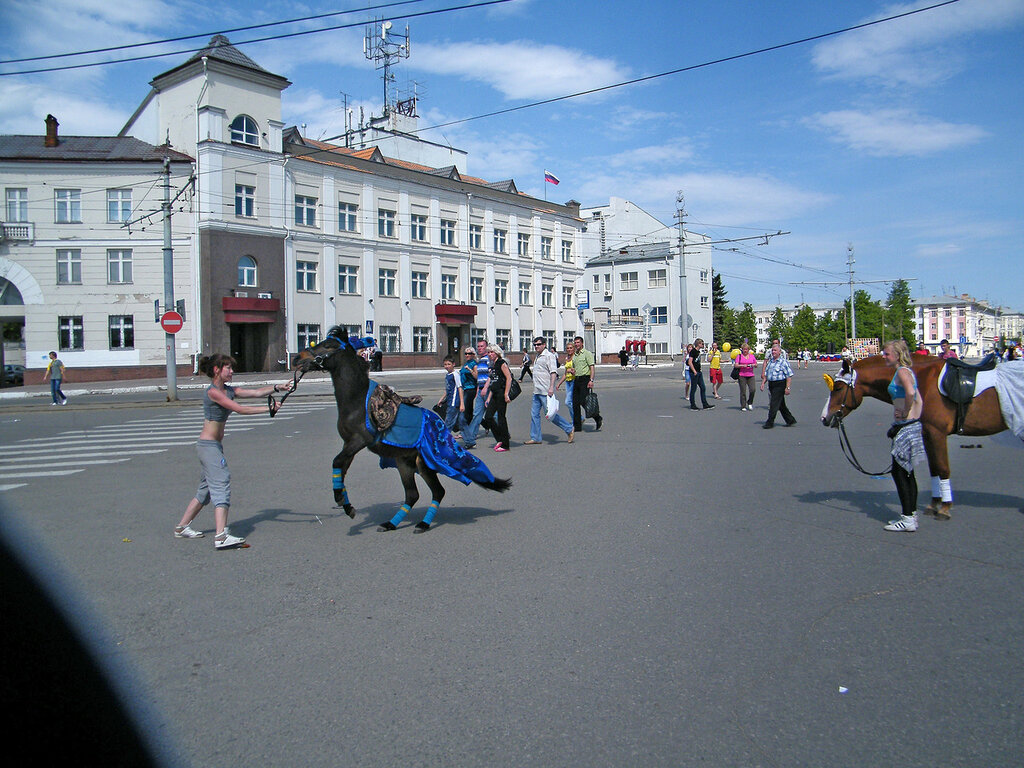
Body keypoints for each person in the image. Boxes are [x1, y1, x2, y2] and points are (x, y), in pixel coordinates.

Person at [175, 354, 293, 549]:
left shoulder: (229, 390)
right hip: (208, 447)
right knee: (221, 482)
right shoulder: (214, 393)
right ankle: (221, 536)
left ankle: (181, 527)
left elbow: (254, 393)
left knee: (205, 492)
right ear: (217, 370)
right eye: (228, 368)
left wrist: (277, 387)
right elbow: (239, 409)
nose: (232, 371)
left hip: (213, 447)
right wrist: (268, 409)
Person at [881, 339, 927, 532]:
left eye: (887, 354)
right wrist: (913, 414)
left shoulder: (901, 372)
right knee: (907, 472)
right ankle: (911, 515)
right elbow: (920, 399)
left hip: (906, 427)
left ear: (897, 355)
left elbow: (909, 393)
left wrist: (905, 412)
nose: (884, 356)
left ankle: (907, 518)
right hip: (910, 426)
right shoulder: (907, 371)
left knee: (900, 473)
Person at [524, 337, 574, 445]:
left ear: (544, 344)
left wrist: (551, 387)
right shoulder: (537, 356)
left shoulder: (549, 356)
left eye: (538, 344)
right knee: (534, 414)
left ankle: (569, 429)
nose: (536, 346)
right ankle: (536, 437)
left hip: (546, 391)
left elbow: (553, 372)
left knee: (550, 415)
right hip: (537, 390)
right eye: (535, 345)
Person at [462, 339, 492, 449]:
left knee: (494, 415)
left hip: (488, 390)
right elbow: (479, 377)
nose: (479, 348)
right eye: (478, 346)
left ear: (486, 347)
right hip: (480, 390)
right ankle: (470, 437)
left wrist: (486, 388)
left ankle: (503, 433)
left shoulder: (489, 359)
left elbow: (491, 375)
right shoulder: (480, 360)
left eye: (482, 346)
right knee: (477, 414)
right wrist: (479, 388)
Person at [484, 345, 513, 452]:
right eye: (488, 352)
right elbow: (493, 382)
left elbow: (509, 378)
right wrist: (488, 398)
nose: (490, 354)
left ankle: (505, 444)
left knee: (501, 418)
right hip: (495, 393)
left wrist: (506, 394)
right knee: (488, 416)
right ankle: (500, 438)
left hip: (501, 393)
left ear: (497, 352)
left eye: (492, 352)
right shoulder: (494, 364)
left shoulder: (501, 363)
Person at [760, 341, 795, 428]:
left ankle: (770, 422)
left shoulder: (783, 362)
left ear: (779, 352)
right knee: (781, 405)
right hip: (772, 384)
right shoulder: (771, 362)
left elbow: (789, 376)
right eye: (772, 350)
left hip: (780, 384)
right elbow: (767, 374)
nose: (773, 352)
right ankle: (790, 420)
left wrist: (787, 387)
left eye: (775, 350)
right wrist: (763, 383)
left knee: (773, 403)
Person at [571, 335, 602, 432]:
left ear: (582, 343)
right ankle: (577, 426)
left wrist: (591, 380)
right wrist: (572, 371)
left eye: (578, 342)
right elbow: (575, 368)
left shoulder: (587, 354)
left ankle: (597, 417)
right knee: (575, 403)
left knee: (584, 401)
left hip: (585, 379)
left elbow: (591, 367)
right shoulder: (575, 356)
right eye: (575, 343)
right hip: (576, 379)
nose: (576, 344)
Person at [438, 355, 464, 433]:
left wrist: (462, 403)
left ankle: (444, 440)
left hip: (454, 402)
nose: (447, 366)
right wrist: (442, 399)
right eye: (445, 364)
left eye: (449, 364)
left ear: (453, 364)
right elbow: (448, 389)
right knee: (461, 423)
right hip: (449, 401)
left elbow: (460, 388)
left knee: (448, 422)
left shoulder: (455, 375)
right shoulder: (448, 375)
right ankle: (470, 441)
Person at [687, 338, 714, 410]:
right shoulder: (693, 351)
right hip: (694, 373)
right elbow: (690, 362)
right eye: (702, 343)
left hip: (699, 372)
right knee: (694, 388)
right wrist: (694, 371)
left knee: (703, 387)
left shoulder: (698, 352)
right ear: (698, 344)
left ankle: (705, 404)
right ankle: (693, 405)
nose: (703, 345)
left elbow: (697, 362)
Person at [458, 347, 477, 432]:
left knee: (465, 410)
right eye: (465, 353)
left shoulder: (474, 364)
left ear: (473, 355)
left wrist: (469, 370)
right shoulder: (466, 363)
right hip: (465, 389)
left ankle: (466, 430)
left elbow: (476, 376)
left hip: (471, 389)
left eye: (469, 353)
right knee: (469, 410)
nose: (467, 355)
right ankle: (485, 424)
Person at [734, 342, 757, 411]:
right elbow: (736, 365)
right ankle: (743, 405)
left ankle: (750, 402)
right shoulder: (739, 356)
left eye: (746, 349)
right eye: (744, 349)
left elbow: (756, 364)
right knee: (743, 391)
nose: (745, 351)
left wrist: (753, 365)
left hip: (750, 375)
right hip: (742, 375)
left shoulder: (752, 356)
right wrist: (742, 365)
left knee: (753, 390)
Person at [557, 344, 575, 415]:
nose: (569, 349)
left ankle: (578, 418)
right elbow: (565, 373)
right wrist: (559, 384)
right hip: (568, 382)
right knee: (570, 402)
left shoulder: (575, 357)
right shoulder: (567, 358)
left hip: (574, 381)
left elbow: (577, 370)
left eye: (571, 348)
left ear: (574, 349)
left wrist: (572, 371)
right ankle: (576, 421)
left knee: (568, 402)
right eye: (567, 348)